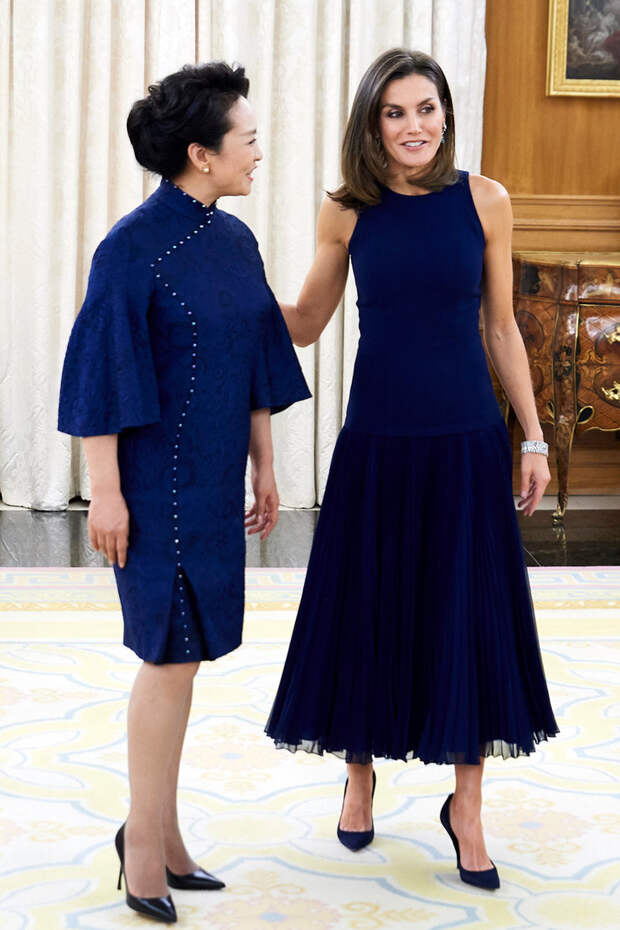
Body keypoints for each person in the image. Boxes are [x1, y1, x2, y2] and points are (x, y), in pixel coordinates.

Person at [265, 48, 559, 891]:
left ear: (445, 113)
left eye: (425, 108)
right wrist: (231, 285)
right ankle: (358, 776)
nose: (413, 126)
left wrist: (533, 437)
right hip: (379, 439)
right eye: (394, 113)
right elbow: (306, 321)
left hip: (466, 438)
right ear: (373, 123)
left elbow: (501, 327)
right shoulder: (347, 210)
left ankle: (467, 808)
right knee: (369, 602)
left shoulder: (487, 200)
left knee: (467, 612)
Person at [58, 61, 310, 924]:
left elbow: (257, 357)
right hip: (152, 486)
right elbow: (101, 371)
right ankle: (142, 850)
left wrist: (265, 464)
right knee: (167, 655)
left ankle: (161, 835)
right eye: (248, 139)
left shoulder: (235, 241)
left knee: (189, 654)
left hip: (215, 480)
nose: (258, 152)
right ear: (202, 153)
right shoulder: (130, 247)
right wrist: (105, 493)